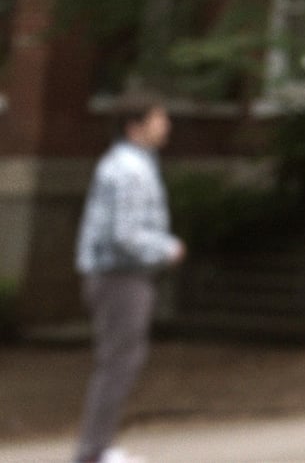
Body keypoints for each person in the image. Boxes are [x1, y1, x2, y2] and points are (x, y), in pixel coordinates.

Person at [73, 93, 184, 463]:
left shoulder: (132, 164)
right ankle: (94, 450)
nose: (165, 124)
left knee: (121, 360)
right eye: (158, 118)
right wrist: (166, 248)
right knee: (119, 362)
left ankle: (97, 447)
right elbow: (125, 234)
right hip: (119, 277)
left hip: (118, 275)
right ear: (134, 126)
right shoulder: (129, 170)